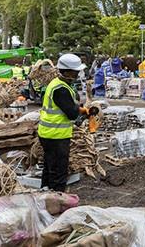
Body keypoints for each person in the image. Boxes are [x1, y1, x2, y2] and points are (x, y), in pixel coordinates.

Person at [38, 53, 89, 192]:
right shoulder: (61, 89)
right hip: (56, 136)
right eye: (76, 72)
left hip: (48, 134)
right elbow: (71, 114)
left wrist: (79, 108)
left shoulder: (57, 84)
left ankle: (45, 194)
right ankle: (58, 200)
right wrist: (79, 110)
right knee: (59, 172)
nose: (78, 74)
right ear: (67, 72)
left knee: (49, 168)